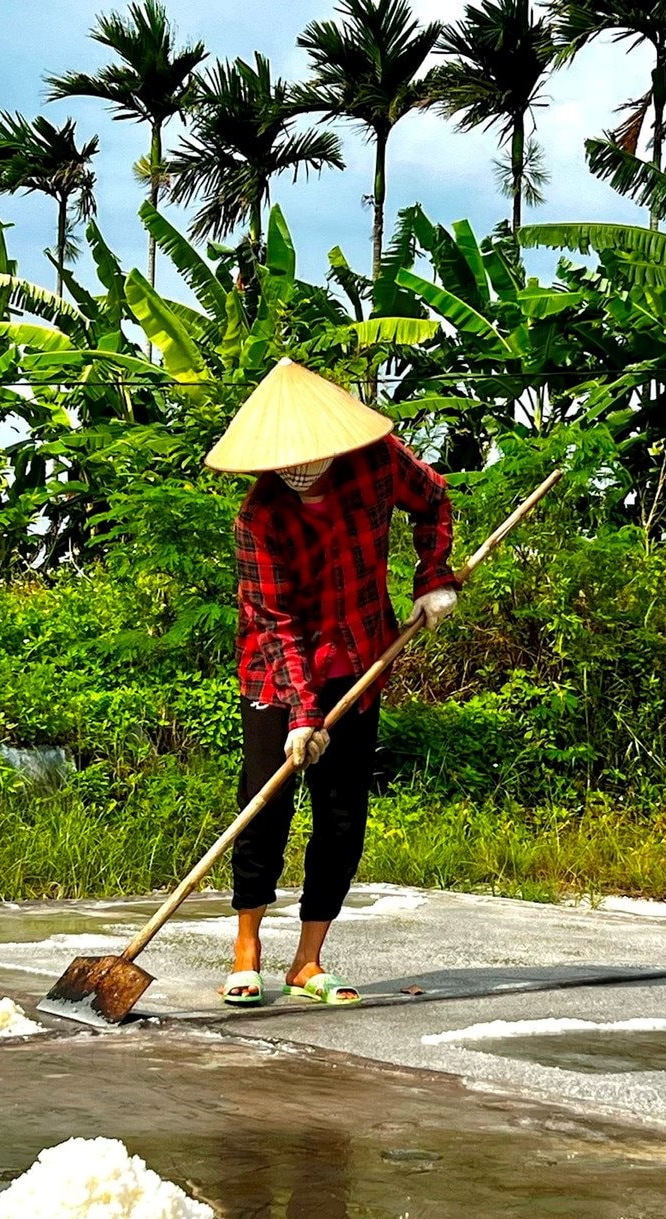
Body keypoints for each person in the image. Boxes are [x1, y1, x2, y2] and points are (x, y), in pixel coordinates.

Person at [202, 358, 458, 1006]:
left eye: (305, 457)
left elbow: (433, 501)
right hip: (277, 673)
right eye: (280, 460)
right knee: (264, 808)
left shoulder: (377, 461)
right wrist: (300, 717)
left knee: (342, 819)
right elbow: (277, 621)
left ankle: (307, 961)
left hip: (360, 660)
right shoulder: (259, 518)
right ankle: (247, 949)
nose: (294, 469)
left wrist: (432, 578)